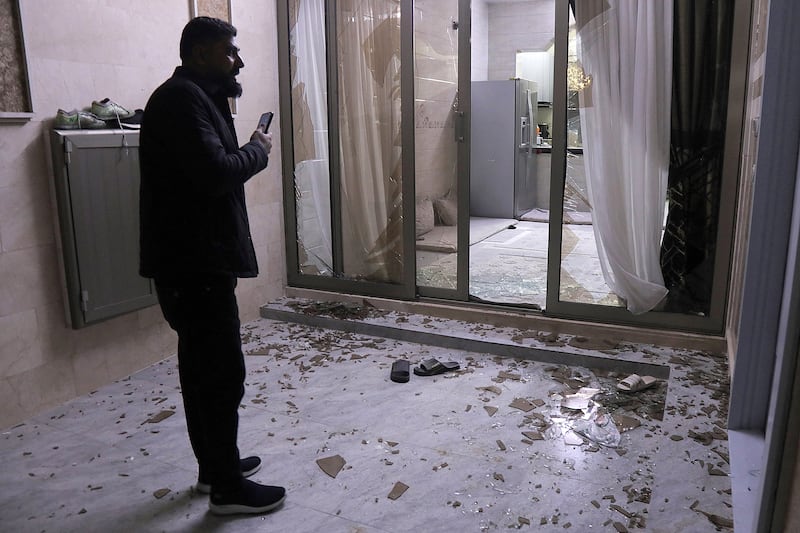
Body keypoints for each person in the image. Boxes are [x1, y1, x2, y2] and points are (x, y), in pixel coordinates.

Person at [139, 16, 285, 515]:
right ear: (200, 54)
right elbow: (215, 174)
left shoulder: (197, 97)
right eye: (229, 51)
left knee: (203, 369)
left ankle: (213, 468)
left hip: (193, 259)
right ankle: (226, 490)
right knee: (221, 373)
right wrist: (257, 150)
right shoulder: (181, 99)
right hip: (193, 263)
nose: (238, 60)